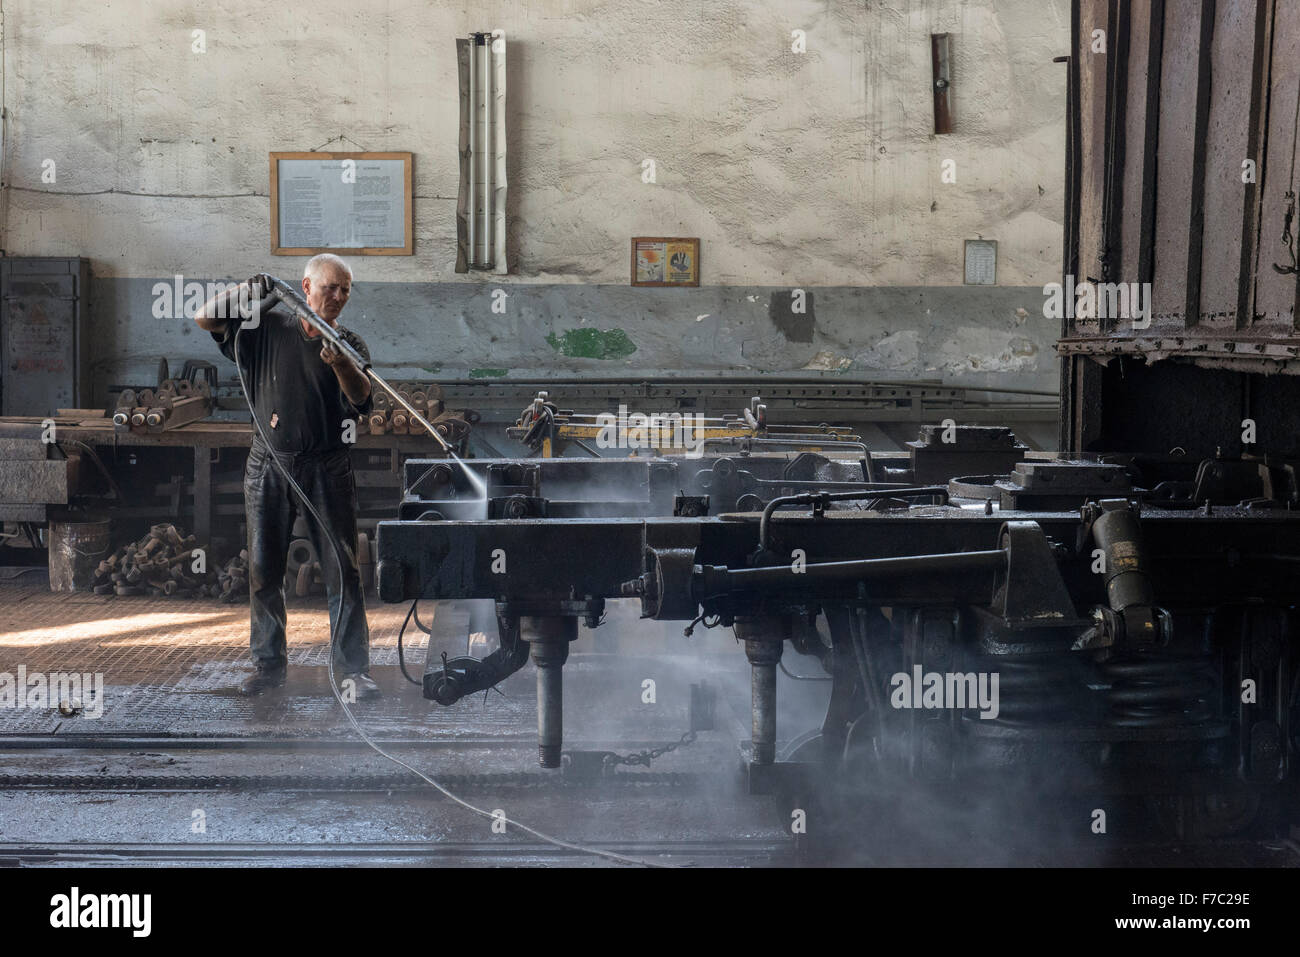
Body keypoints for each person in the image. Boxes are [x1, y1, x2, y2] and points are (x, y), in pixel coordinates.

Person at [195, 254, 380, 699]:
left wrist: (339, 363)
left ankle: (352, 671)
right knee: (263, 570)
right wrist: (248, 290)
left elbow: (363, 400)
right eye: (330, 287)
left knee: (342, 572)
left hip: (326, 466)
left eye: (346, 289)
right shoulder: (266, 328)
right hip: (269, 463)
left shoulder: (349, 342)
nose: (338, 296)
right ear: (306, 286)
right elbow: (204, 318)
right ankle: (268, 666)